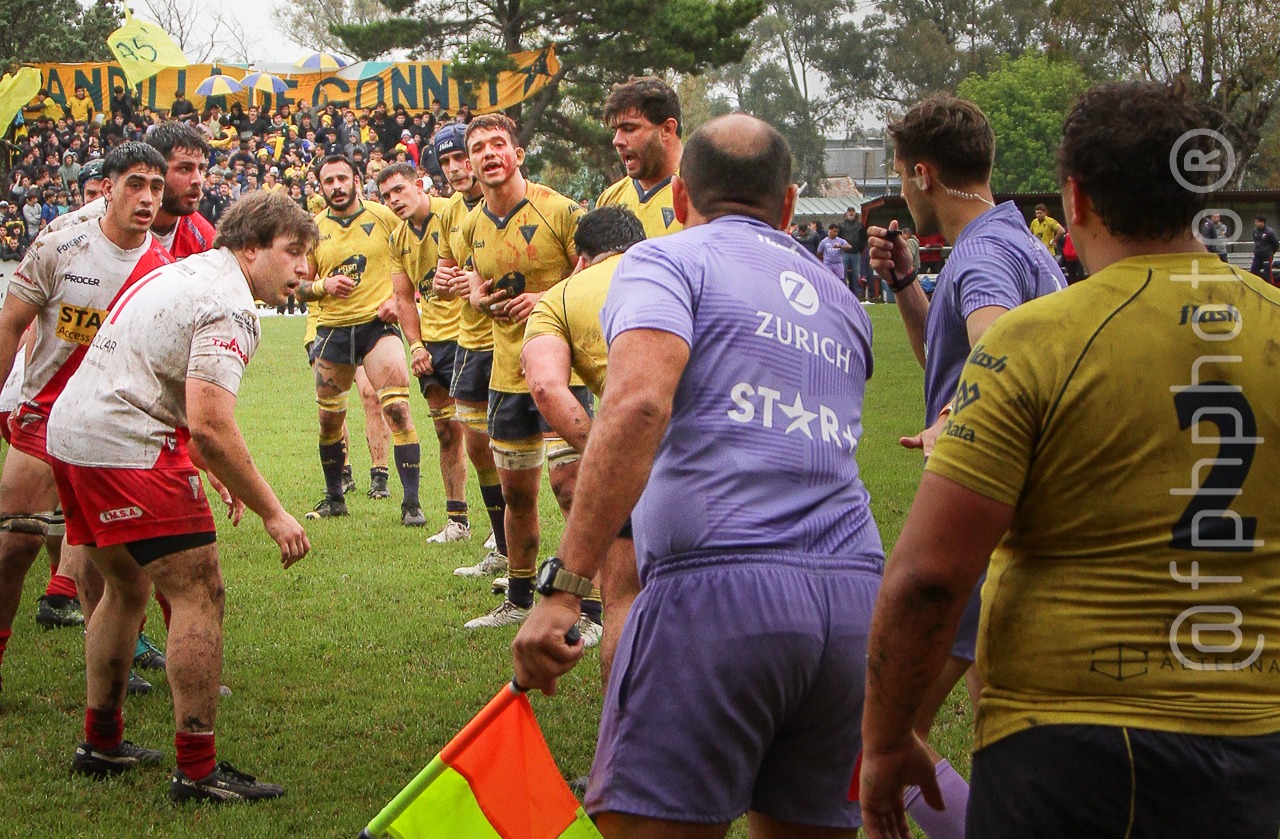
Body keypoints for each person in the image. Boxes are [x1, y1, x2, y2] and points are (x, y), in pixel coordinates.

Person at [859, 80, 1280, 839]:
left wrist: (885, 742)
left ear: (1075, 197)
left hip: (1072, 743)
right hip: (1257, 733)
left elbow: (926, 579)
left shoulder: (1034, 341)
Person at [512, 113, 883, 838]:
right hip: (852, 605)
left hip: (718, 593)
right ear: (788, 205)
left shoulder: (666, 259)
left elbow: (640, 402)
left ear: (680, 199)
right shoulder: (841, 300)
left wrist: (564, 587)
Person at [48, 190, 314, 802]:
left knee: (125, 586)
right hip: (125, 444)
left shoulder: (184, 270)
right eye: (293, 252)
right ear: (250, 250)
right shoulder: (229, 306)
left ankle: (102, 741)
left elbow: (162, 384)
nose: (305, 268)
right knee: (200, 589)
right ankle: (197, 771)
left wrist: (201, 462)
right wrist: (276, 512)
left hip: (74, 433)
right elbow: (211, 427)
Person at [865, 94, 1066, 837]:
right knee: (1000, 726)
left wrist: (954, 418)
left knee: (886, 735)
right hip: (1022, 520)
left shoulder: (981, 257)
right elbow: (952, 364)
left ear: (922, 173)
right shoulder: (1018, 240)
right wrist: (908, 287)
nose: (902, 191)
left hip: (977, 512)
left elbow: (999, 349)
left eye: (900, 176)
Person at [0, 143, 174, 696]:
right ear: (107, 186)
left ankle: (108, 672)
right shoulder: (62, 245)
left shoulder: (162, 271)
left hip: (110, 424)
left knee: (109, 558)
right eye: (135, 185)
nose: (147, 198)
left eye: (156, 188)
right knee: (16, 542)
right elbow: (11, 324)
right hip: (44, 412)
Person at [457, 114, 585, 629]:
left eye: (498, 145)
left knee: (573, 487)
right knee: (517, 495)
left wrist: (546, 299)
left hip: (565, 372)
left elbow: (595, 271)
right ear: (470, 165)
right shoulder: (471, 223)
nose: (489, 154)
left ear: (518, 154)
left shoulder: (560, 210)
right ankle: (519, 597)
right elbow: (471, 281)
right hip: (507, 375)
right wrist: (476, 296)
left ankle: (588, 606)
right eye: (479, 148)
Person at [521, 205, 648, 658]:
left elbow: (544, 385)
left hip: (637, 460)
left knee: (625, 601)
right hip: (724, 454)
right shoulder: (682, 268)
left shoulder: (561, 295)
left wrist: (605, 450)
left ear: (581, 258)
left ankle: (623, 726)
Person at [295, 154, 424, 526]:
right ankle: (335, 497)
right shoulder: (313, 229)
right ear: (320, 188)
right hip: (333, 331)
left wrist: (396, 301)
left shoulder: (383, 218)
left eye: (341, 178)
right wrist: (324, 285)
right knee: (328, 421)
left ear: (355, 179)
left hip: (376, 327)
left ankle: (411, 504)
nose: (336, 186)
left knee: (397, 408)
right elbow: (298, 286)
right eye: (328, 181)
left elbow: (415, 260)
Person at [431, 123, 509, 571]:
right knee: (478, 448)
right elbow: (443, 279)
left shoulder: (515, 204)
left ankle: (515, 549)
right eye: (446, 162)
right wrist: (446, 282)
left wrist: (479, 283)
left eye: (461, 157)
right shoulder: (450, 214)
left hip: (511, 339)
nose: (457, 168)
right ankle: (501, 547)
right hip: (470, 339)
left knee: (528, 455)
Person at [379, 162, 470, 542]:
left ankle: (501, 525)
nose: (394, 199)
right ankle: (458, 521)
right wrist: (415, 344)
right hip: (432, 344)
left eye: (399, 190)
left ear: (420, 185)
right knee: (446, 432)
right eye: (386, 196)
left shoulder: (453, 211)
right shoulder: (398, 237)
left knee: (485, 434)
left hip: (468, 337)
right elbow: (403, 296)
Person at [596, 77, 683, 238]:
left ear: (667, 129)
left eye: (629, 128)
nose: (616, 140)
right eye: (615, 131)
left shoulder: (702, 196)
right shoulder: (609, 200)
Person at [836, 206, 869, 296]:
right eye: (849, 211)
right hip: (844, 253)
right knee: (842, 273)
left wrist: (860, 248)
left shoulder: (860, 225)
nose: (851, 213)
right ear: (846, 213)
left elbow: (864, 238)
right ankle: (842, 292)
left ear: (855, 213)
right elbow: (838, 238)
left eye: (852, 211)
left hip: (856, 253)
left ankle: (858, 294)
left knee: (857, 275)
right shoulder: (841, 225)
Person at [1250, 214, 1277, 285]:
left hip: (1266, 256)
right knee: (1253, 272)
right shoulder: (1255, 231)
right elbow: (1256, 242)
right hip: (1257, 256)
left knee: (1268, 274)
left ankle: (1271, 290)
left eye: (1257, 222)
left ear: (1262, 222)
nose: (1255, 223)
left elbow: (1276, 244)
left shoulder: (1270, 232)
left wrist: (1270, 252)